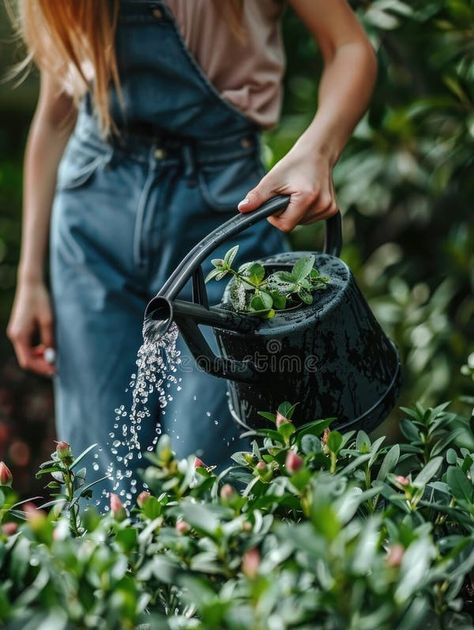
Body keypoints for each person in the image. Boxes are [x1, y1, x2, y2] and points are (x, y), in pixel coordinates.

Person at [6, 0, 377, 502]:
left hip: (225, 222)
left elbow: (350, 46)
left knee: (208, 481)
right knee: (99, 483)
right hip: (92, 221)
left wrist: (319, 149)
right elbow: (56, 113)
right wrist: (31, 277)